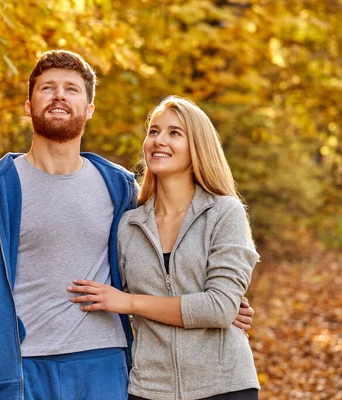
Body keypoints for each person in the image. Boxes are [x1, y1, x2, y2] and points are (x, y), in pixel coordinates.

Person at [0, 52, 254, 400]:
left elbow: (154, 273)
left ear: (90, 109)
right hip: (23, 368)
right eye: (47, 88)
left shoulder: (119, 187)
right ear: (28, 106)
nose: (59, 95)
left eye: (72, 89)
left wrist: (222, 306)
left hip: (107, 367)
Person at [68, 96, 260, 400]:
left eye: (174, 133)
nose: (159, 140)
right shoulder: (128, 226)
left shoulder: (225, 212)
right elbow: (104, 296)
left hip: (224, 385)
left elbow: (220, 308)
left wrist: (130, 302)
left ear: (197, 145)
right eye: (154, 131)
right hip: (149, 389)